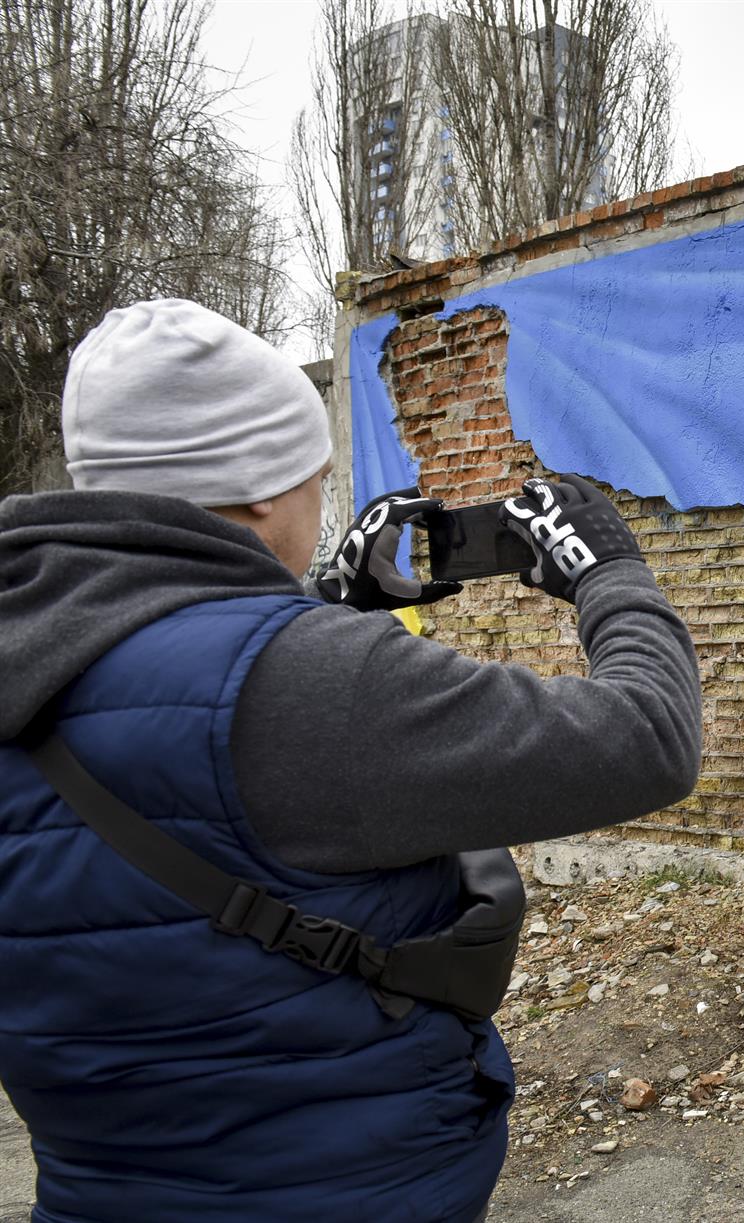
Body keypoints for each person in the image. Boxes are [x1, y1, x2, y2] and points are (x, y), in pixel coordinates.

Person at [0, 299, 702, 1221]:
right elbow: (649, 736)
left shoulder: (29, 646)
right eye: (313, 479)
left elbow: (177, 725)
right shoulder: (321, 683)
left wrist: (320, 602)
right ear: (259, 486)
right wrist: (607, 571)